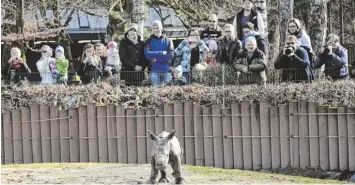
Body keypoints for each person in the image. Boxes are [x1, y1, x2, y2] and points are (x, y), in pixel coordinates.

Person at [144, 20, 174, 86]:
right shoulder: (148, 41)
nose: (155, 30)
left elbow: (171, 55)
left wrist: (157, 59)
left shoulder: (169, 41)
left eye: (157, 27)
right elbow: (147, 55)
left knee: (167, 92)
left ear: (161, 28)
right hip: (153, 71)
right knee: (155, 93)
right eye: (154, 28)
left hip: (166, 71)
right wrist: (161, 53)